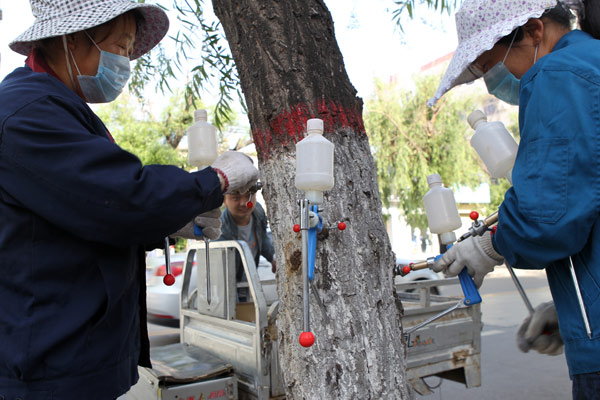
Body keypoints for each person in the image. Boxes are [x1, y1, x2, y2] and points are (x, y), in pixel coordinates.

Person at [0, 1, 258, 398]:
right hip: (48, 371)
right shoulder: (28, 113)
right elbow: (121, 198)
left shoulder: (62, 110)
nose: (125, 61)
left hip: (75, 360)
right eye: (120, 46)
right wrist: (216, 179)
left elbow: (88, 211)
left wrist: (168, 222)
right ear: (71, 39)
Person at [428, 0, 600, 398]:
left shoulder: (558, 74)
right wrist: (569, 314)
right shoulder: (591, 65)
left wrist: (490, 246)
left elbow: (547, 218)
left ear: (535, 31)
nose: (496, 82)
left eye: (495, 63)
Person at [219, 190, 276, 280]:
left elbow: (263, 238)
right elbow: (218, 269)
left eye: (249, 196)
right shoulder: (219, 229)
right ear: (224, 201)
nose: (244, 203)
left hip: (250, 281)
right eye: (235, 198)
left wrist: (272, 257)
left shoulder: (258, 212)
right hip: (228, 285)